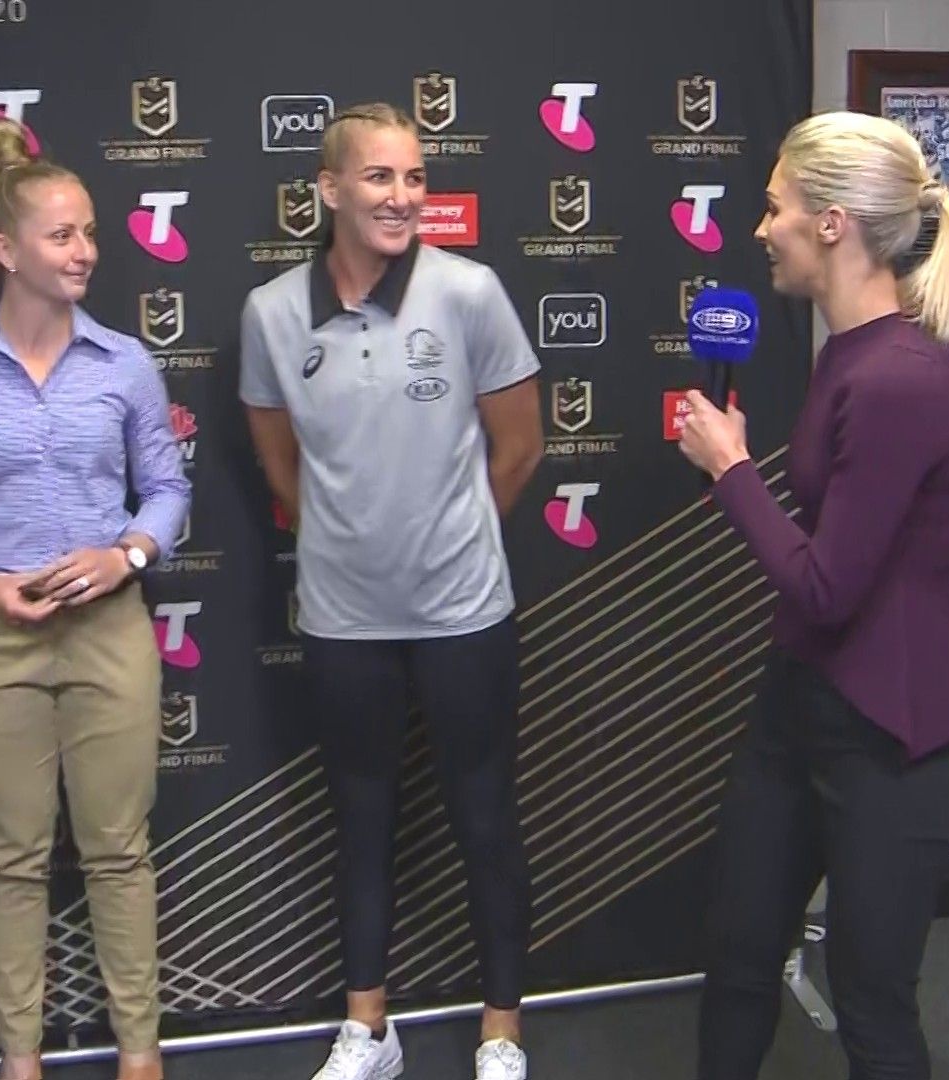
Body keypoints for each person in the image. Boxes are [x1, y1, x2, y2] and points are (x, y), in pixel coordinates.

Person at [675, 110, 949, 1080]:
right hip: (801, 710)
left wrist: (732, 471)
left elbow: (826, 587)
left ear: (830, 224)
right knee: (737, 957)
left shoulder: (904, 378)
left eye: (774, 207)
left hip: (893, 744)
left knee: (872, 1008)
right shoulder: (846, 355)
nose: (760, 228)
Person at [238, 103, 545, 1080]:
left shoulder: (470, 292)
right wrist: (359, 544)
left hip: (463, 613)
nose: (404, 196)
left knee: (484, 818)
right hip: (342, 620)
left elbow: (519, 448)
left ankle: (502, 1030)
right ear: (329, 189)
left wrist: (443, 539)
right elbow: (281, 467)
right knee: (360, 819)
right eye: (380, 177)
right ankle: (370, 1028)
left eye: (416, 177)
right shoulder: (271, 313)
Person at [0, 117, 190, 1080]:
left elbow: (168, 489)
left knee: (118, 851)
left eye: (89, 232)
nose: (86, 250)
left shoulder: (125, 363)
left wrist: (126, 555)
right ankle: (21, 1060)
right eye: (62, 235)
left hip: (109, 633)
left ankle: (140, 1056)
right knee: (11, 859)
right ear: (7, 251)